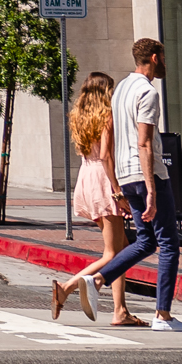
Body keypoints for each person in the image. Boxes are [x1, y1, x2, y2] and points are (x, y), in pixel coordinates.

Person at [79, 39, 182, 330]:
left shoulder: (121, 89)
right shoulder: (147, 92)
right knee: (169, 244)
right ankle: (163, 316)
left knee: (145, 240)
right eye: (163, 57)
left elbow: (109, 148)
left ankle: (97, 279)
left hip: (126, 177)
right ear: (154, 58)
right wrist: (152, 189)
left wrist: (116, 185)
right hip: (146, 175)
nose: (164, 62)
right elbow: (144, 142)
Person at [52, 72, 130, 322]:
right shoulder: (107, 116)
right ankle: (66, 288)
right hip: (103, 179)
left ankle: (120, 310)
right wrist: (118, 190)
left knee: (123, 249)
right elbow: (107, 155)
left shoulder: (79, 116)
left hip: (86, 176)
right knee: (111, 253)